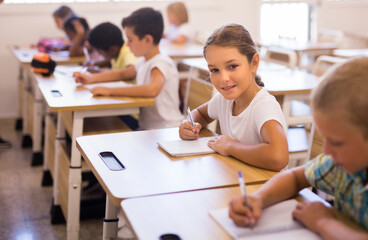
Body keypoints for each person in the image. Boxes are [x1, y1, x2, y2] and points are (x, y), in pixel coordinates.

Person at [229, 57, 368, 239]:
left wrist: (323, 223)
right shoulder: (339, 165)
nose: (326, 150)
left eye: (337, 142)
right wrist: (259, 198)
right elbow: (294, 177)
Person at [178, 24, 288, 171]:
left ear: (253, 63)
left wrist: (230, 147)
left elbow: (278, 157)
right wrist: (189, 125)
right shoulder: (224, 100)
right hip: (239, 178)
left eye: (232, 66)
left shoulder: (263, 106)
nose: (223, 78)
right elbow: (201, 114)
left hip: (266, 187)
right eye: (214, 70)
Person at [74, 7, 184, 130]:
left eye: (130, 40)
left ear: (147, 40)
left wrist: (109, 90)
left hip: (167, 129)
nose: (127, 44)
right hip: (149, 129)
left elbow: (152, 90)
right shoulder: (143, 61)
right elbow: (122, 74)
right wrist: (91, 78)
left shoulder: (161, 62)